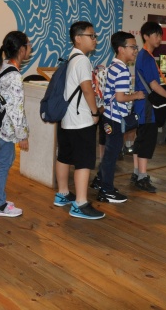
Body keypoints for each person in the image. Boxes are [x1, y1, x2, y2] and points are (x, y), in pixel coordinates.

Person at [52, 21, 104, 219]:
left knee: (64, 156)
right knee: (84, 161)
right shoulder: (82, 60)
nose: (95, 39)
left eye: (95, 36)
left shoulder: (71, 58)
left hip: (67, 119)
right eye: (91, 36)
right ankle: (80, 204)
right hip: (81, 120)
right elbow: (87, 89)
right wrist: (95, 112)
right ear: (78, 38)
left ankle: (63, 193)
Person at [90, 31, 144, 203]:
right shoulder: (122, 70)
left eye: (136, 47)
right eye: (132, 47)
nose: (135, 50)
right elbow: (120, 97)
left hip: (108, 116)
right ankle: (106, 190)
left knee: (109, 152)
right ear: (121, 49)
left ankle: (99, 181)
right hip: (116, 118)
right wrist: (136, 96)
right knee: (112, 155)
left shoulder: (112, 66)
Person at [0, 31, 31, 217]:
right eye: (28, 44)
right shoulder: (15, 76)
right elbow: (16, 110)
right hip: (8, 128)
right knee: (4, 163)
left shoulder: (3, 66)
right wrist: (22, 135)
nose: (30, 48)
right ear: (21, 49)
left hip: (0, 124)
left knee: (4, 161)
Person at [131, 21, 166, 193]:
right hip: (147, 106)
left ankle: (137, 173)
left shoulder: (144, 56)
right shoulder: (146, 57)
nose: (159, 38)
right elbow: (154, 85)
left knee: (140, 139)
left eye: (161, 35)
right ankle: (142, 177)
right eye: (156, 35)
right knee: (147, 141)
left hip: (141, 105)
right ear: (146, 36)